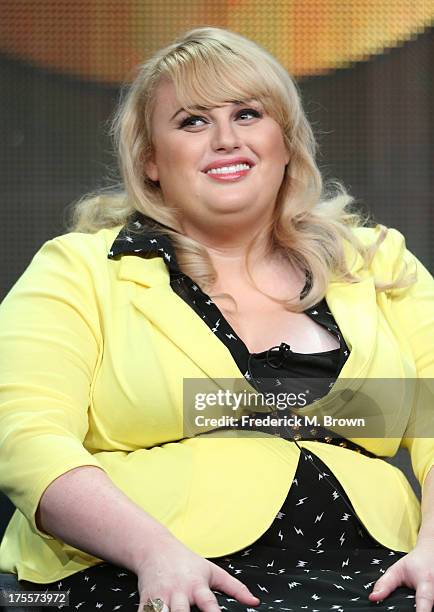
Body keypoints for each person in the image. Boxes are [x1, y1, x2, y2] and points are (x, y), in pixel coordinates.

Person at [0, 25, 433, 612]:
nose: (226, 139)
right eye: (193, 121)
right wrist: (153, 552)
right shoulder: (79, 269)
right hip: (138, 569)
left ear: (287, 141)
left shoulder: (378, 262)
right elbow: (25, 437)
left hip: (374, 573)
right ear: (151, 161)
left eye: (249, 114)